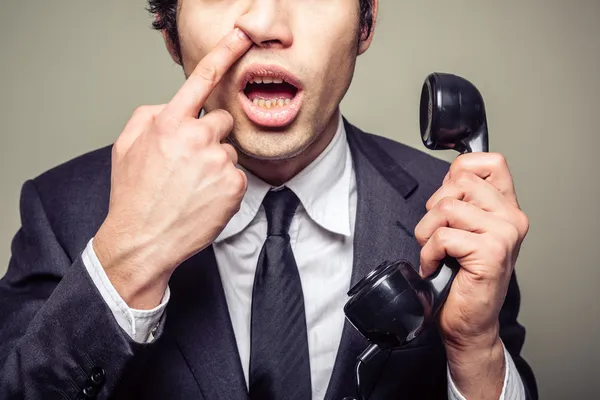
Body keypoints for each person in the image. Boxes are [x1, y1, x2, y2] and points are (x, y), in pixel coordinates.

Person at [0, 0, 538, 399]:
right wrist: (129, 255)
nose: (265, 24)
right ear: (170, 33)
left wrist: (478, 354)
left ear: (366, 21)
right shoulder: (61, 209)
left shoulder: (454, 213)